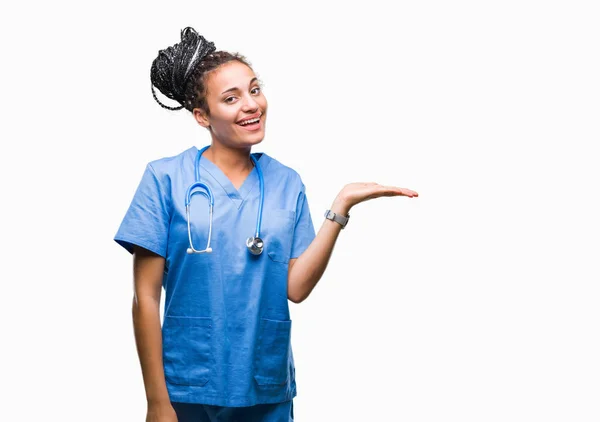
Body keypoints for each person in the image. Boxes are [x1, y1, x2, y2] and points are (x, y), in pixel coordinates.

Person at [114, 27, 418, 422]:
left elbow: (295, 288)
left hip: (265, 385)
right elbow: (146, 297)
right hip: (188, 386)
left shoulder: (286, 181)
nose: (251, 105)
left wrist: (340, 208)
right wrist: (157, 400)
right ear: (202, 116)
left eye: (254, 90)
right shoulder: (164, 178)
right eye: (231, 98)